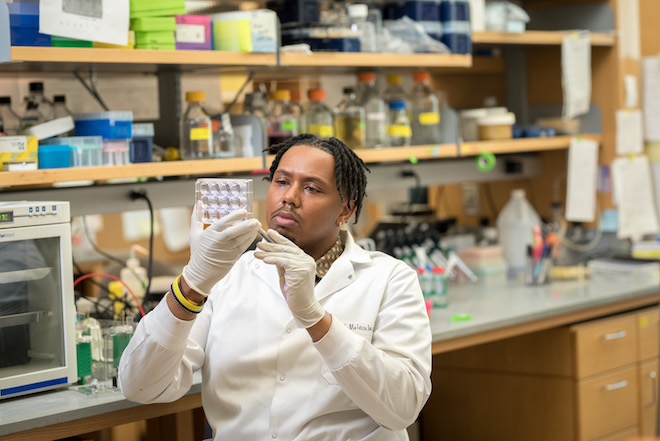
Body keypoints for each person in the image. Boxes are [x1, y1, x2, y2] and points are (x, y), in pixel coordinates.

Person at [119, 134, 432, 440]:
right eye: (281, 182)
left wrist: (314, 318)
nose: (289, 197)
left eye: (311, 188)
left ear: (345, 210)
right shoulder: (226, 276)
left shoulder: (390, 278)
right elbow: (140, 386)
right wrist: (193, 282)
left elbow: (403, 408)